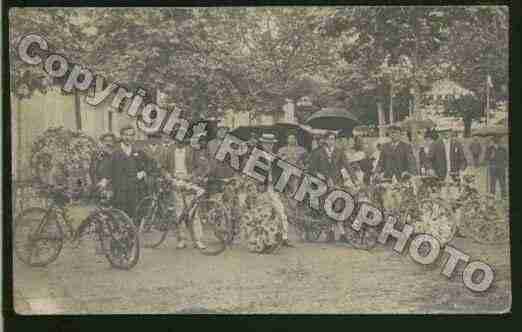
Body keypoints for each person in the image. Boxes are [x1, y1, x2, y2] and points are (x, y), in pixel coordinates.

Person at [307, 133, 357, 243]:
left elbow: (348, 166)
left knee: (339, 207)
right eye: (329, 139)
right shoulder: (317, 152)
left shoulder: (339, 152)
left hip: (337, 183)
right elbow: (311, 169)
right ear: (325, 140)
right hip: (322, 184)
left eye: (333, 139)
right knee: (327, 208)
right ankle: (330, 233)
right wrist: (319, 175)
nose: (331, 141)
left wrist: (355, 180)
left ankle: (342, 233)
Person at [164, 134, 209, 250]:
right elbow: (163, 167)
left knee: (193, 212)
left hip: (189, 183)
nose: (180, 139)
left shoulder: (192, 151)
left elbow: (200, 167)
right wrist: (167, 175)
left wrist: (191, 175)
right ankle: (181, 239)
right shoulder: (169, 151)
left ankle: (198, 239)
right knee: (179, 212)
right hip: (175, 183)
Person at [98, 126, 149, 221]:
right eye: (126, 135)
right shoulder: (115, 152)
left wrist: (143, 172)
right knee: (120, 215)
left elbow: (147, 165)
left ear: (134, 137)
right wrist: (104, 180)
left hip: (134, 189)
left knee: (134, 216)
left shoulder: (138, 152)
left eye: (131, 135)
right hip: (119, 190)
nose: (128, 138)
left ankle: (132, 233)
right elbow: (107, 169)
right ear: (121, 136)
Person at [258, 133, 294, 247]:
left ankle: (284, 237)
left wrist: (286, 187)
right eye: (266, 144)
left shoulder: (276, 157)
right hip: (261, 189)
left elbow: (281, 175)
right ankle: (263, 238)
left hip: (273, 188)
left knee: (281, 212)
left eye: (271, 144)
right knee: (263, 214)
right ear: (263, 144)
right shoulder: (257, 157)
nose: (269, 146)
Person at [277, 132, 308, 239]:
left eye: (293, 138)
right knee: (282, 199)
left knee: (295, 199)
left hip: (296, 176)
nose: (291, 140)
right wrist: (282, 160)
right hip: (285, 176)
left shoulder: (301, 150)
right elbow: (277, 163)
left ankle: (298, 226)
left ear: (295, 139)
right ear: (287, 140)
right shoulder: (282, 150)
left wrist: (301, 166)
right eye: (289, 138)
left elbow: (306, 163)